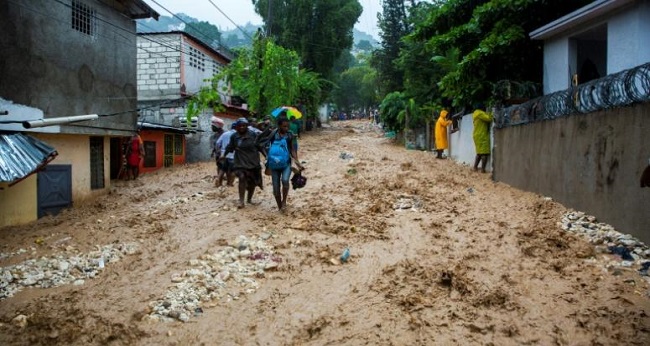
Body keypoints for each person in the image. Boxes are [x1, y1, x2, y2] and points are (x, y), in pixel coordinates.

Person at [223, 118, 265, 208]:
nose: (242, 127)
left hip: (253, 161)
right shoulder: (234, 136)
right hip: (240, 161)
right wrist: (223, 155)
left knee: (253, 182)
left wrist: (267, 156)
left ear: (247, 126)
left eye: (244, 125)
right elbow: (230, 147)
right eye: (240, 126)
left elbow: (260, 146)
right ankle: (241, 201)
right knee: (242, 177)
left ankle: (249, 199)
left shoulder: (253, 135)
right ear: (237, 127)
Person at [265, 117, 304, 212]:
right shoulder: (273, 134)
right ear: (279, 126)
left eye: (288, 126)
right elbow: (265, 145)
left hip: (286, 163)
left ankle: (284, 202)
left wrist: (297, 161)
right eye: (284, 126)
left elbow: (292, 149)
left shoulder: (289, 135)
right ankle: (279, 206)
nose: (286, 128)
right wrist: (268, 156)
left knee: (285, 180)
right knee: (275, 188)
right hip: (274, 164)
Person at [472, 104, 493, 173]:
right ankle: (483, 169)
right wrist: (491, 112)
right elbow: (489, 119)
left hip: (476, 135)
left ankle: (475, 167)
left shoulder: (475, 114)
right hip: (482, 135)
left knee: (479, 152)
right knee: (484, 153)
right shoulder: (480, 113)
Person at [215, 122, 237, 187]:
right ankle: (229, 184)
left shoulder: (225, 134)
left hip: (223, 155)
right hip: (233, 155)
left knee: (222, 169)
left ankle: (218, 180)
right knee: (232, 171)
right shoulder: (237, 135)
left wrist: (218, 151)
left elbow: (217, 143)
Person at [210, 117, 225, 185]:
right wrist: (213, 152)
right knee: (219, 166)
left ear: (218, 126)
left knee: (223, 167)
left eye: (213, 126)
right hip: (218, 154)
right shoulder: (215, 135)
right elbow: (215, 145)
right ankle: (220, 182)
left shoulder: (225, 134)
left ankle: (220, 180)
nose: (211, 128)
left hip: (224, 155)